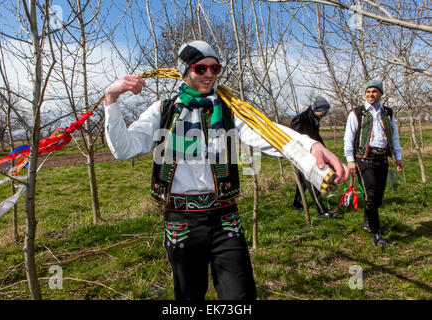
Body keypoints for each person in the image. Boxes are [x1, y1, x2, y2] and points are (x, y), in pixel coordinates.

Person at [104, 40, 349, 300]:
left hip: (225, 219)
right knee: (189, 297)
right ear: (184, 71)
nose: (209, 74)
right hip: (181, 221)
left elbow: (268, 132)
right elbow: (123, 149)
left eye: (215, 68)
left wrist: (311, 148)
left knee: (240, 296)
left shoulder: (229, 109)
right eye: (201, 68)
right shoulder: (164, 111)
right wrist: (112, 98)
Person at [344, 79, 404, 248]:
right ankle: (376, 233)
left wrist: (398, 157)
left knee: (378, 197)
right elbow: (348, 137)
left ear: (381, 94)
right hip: (364, 159)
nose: (371, 94)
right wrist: (350, 160)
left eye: (374, 91)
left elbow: (394, 136)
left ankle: (367, 222)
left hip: (382, 159)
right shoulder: (357, 113)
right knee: (370, 196)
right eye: (368, 91)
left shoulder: (388, 113)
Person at [290, 96, 339, 218]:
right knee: (312, 179)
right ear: (317, 108)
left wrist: (324, 149)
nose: (325, 114)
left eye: (326, 112)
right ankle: (322, 211)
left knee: (302, 181)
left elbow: (316, 136)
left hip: (312, 151)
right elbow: (292, 135)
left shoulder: (315, 118)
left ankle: (296, 203)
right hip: (303, 154)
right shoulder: (301, 118)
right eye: (323, 111)